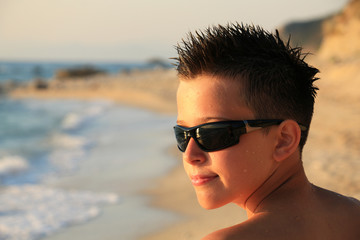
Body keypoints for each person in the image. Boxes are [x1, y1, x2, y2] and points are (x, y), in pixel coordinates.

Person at [172, 23, 360, 240]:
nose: (190, 155)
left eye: (213, 134)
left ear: (283, 140)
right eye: (183, 134)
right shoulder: (353, 213)